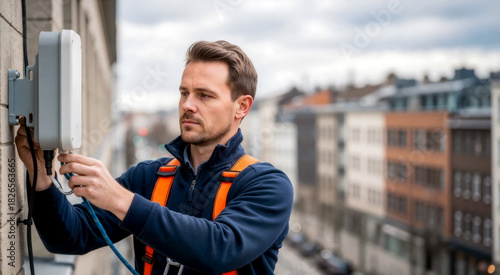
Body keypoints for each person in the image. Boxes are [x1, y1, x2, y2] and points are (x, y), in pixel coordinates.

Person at [15, 40, 294, 275]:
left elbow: (221, 248)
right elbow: (69, 237)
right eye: (184, 92)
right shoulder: (149, 177)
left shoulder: (267, 186)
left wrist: (120, 199)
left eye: (204, 96)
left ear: (241, 107)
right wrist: (41, 177)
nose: (187, 105)